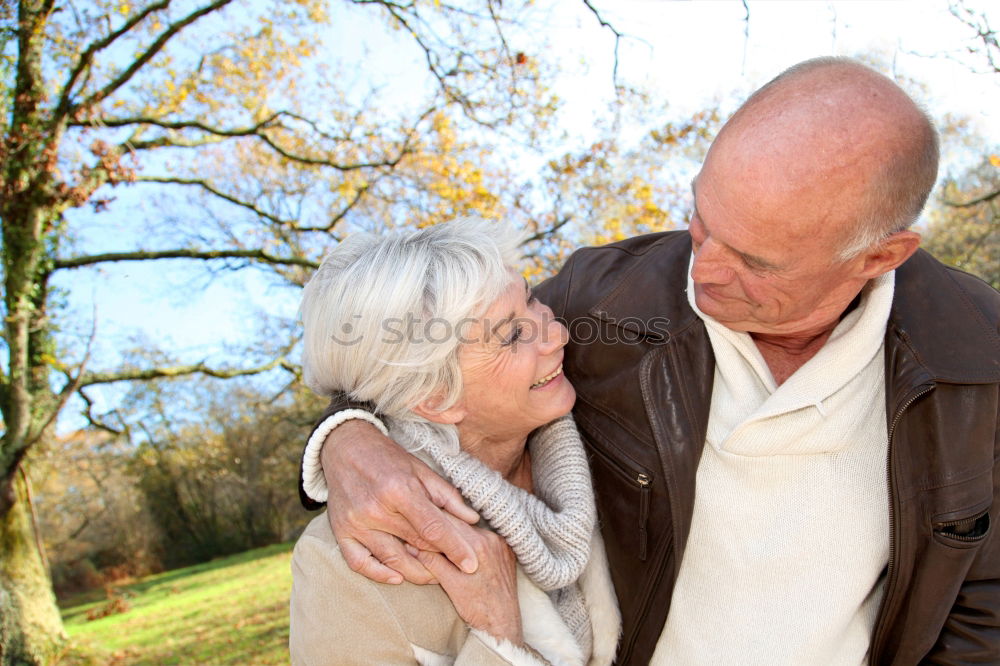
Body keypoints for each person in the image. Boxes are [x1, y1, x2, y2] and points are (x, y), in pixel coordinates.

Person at [299, 57, 1000, 664]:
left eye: (755, 261)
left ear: (878, 256)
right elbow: (413, 358)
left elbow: (985, 608)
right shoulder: (605, 300)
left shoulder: (978, 359)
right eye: (702, 218)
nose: (705, 269)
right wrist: (349, 439)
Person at [289, 218, 620, 665]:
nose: (558, 333)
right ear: (436, 398)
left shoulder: (610, 420)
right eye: (513, 335)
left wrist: (341, 432)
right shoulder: (348, 564)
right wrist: (497, 635)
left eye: (532, 299)